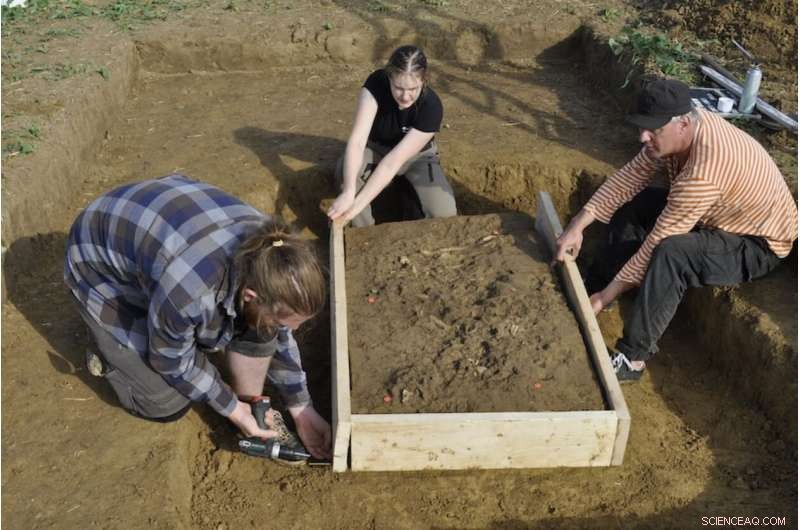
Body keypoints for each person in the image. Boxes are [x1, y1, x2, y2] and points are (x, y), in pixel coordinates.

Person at [64, 174, 332, 460]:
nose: (289, 330)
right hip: (98, 268)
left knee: (259, 325)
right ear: (250, 295)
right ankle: (110, 353)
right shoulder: (190, 292)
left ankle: (248, 403)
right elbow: (169, 360)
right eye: (282, 322)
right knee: (165, 404)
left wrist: (301, 408)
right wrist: (231, 408)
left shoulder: (275, 254)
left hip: (163, 223)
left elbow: (279, 334)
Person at [554, 79, 797, 382]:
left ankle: (632, 358)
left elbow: (659, 239)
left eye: (652, 131)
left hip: (756, 242)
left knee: (672, 253)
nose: (643, 137)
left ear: (682, 124)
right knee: (635, 203)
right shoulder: (679, 127)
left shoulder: (705, 171)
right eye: (643, 128)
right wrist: (577, 226)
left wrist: (605, 298)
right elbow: (629, 178)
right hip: (715, 215)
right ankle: (596, 284)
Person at [327, 44, 457, 226]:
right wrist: (349, 193)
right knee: (348, 179)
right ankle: (363, 234)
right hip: (376, 150)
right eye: (398, 88)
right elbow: (357, 142)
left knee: (444, 213)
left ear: (424, 80)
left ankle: (410, 199)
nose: (405, 96)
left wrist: (357, 205)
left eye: (413, 89)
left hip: (417, 157)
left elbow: (393, 163)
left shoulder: (431, 107)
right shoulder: (376, 85)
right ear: (389, 77)